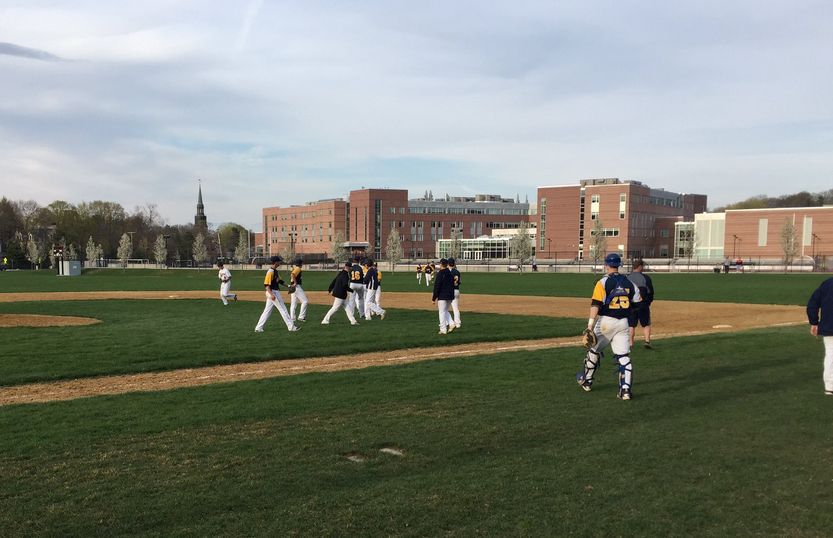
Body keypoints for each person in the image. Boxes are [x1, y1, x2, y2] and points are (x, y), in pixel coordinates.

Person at [577, 252, 641, 400]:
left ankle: (587, 381)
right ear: (619, 265)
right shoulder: (630, 283)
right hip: (624, 323)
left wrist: (589, 326)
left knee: (594, 350)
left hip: (606, 322)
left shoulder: (603, 282)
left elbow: (595, 305)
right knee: (624, 356)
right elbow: (636, 305)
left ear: (606, 265)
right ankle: (625, 390)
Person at [254, 256, 300, 333]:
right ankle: (291, 327)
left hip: (273, 292)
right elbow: (266, 285)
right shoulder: (270, 272)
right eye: (279, 261)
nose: (280, 263)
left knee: (267, 311)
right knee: (283, 309)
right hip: (273, 292)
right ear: (276, 262)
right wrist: (271, 294)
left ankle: (258, 328)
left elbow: (280, 281)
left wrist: (289, 286)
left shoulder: (275, 271)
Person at [807, 277, 833, 396]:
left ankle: (830, 386)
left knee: (831, 356)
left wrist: (814, 322)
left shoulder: (827, 284)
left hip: (829, 326)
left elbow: (812, 304)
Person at [628, 259, 654, 349]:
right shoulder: (645, 278)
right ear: (639, 267)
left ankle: (631, 344)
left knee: (631, 325)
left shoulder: (628, 277)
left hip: (630, 304)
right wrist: (649, 301)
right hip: (642, 304)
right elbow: (650, 292)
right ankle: (647, 341)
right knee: (646, 324)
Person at [432, 258, 455, 334]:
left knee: (442, 312)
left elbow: (437, 286)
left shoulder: (440, 274)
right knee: (445, 311)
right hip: (450, 295)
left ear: (441, 264)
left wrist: (434, 297)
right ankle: (451, 323)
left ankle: (443, 329)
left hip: (442, 295)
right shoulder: (450, 274)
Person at [289, 258, 309, 323]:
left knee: (293, 303)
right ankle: (301, 317)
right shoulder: (298, 269)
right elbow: (292, 274)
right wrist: (295, 282)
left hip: (293, 287)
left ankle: (292, 318)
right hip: (296, 287)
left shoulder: (296, 269)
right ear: (301, 264)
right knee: (305, 301)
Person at [348, 255, 366, 319]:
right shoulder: (361, 267)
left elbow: (349, 275)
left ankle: (351, 314)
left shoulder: (351, 267)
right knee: (361, 299)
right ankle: (362, 314)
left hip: (352, 284)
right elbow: (364, 276)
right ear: (359, 261)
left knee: (351, 300)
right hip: (360, 284)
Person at [447, 257, 462, 330]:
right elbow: (459, 282)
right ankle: (458, 323)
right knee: (455, 308)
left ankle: (447, 322)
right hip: (456, 290)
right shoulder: (457, 272)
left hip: (449, 291)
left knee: (445, 308)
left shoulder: (447, 272)